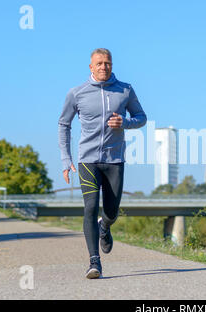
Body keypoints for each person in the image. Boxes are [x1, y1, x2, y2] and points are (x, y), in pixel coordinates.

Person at [58, 48, 147, 279]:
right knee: (89, 207)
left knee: (111, 211)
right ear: (91, 67)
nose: (103, 67)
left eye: (107, 63)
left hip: (115, 159)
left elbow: (141, 117)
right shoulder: (77, 93)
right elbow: (64, 124)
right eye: (99, 63)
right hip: (87, 160)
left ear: (112, 65)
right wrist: (66, 159)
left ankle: (105, 227)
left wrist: (125, 123)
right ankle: (94, 261)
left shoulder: (125, 89)